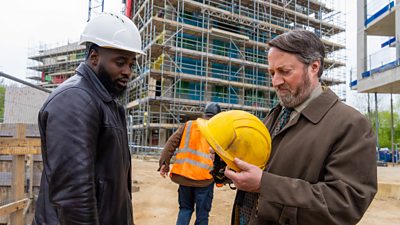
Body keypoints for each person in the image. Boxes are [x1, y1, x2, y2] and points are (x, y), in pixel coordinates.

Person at [224, 29, 377, 225]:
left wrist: (265, 184)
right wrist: (228, 163)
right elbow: (257, 167)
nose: (275, 82)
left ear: (314, 67)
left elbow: (344, 206)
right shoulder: (275, 115)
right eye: (271, 73)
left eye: (284, 72)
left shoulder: (351, 124)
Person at [33, 13, 145, 225]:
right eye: (120, 62)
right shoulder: (74, 99)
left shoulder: (107, 103)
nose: (127, 72)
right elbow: (74, 196)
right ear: (94, 57)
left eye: (131, 64)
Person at [158, 102, 221, 225]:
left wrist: (164, 163)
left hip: (184, 176)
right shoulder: (217, 129)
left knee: (185, 210)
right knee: (202, 215)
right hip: (205, 179)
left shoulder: (189, 125)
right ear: (218, 116)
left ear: (205, 114)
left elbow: (171, 142)